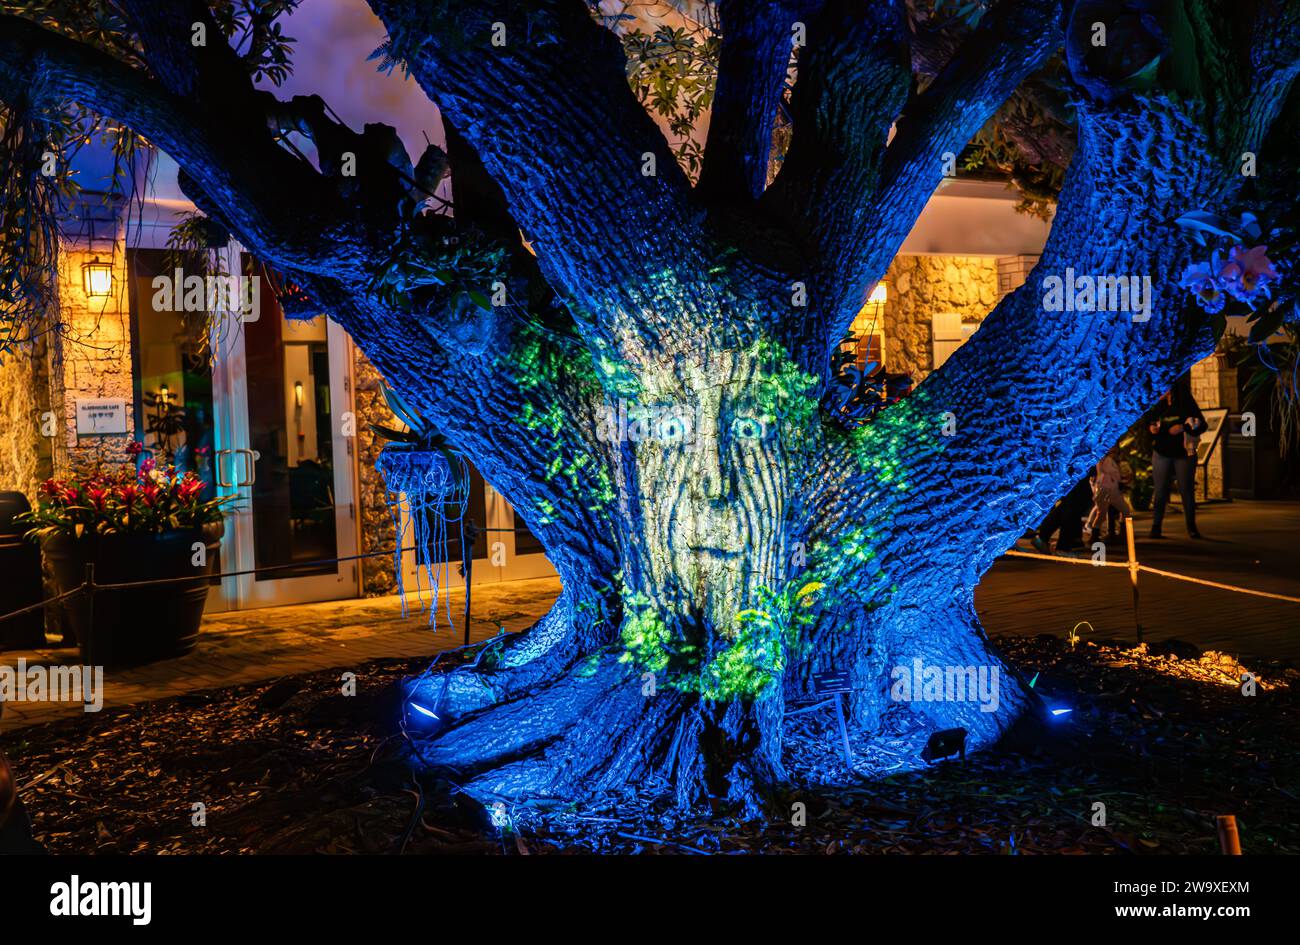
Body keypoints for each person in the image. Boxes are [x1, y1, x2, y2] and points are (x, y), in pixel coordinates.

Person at [1145, 380, 1206, 539]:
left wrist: (1182, 427)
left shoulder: (1185, 403)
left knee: (1186, 490)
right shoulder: (1158, 406)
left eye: (1162, 387)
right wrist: (1152, 429)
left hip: (1183, 453)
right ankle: (1156, 527)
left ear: (1170, 389)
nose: (1158, 391)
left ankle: (1191, 527)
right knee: (1160, 490)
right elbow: (1149, 422)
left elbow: (1202, 424)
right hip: (1161, 452)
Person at [1032, 471, 1095, 556]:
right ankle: (1062, 547)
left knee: (1068, 504)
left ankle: (1043, 537)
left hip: (1074, 470)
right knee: (1073, 506)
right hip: (1079, 469)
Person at [1087, 447, 1132, 544]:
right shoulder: (1103, 459)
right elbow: (1101, 474)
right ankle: (1094, 536)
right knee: (1102, 514)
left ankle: (1123, 534)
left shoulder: (1110, 460)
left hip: (1111, 489)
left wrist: (1122, 480)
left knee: (1124, 510)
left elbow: (1115, 476)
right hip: (1104, 490)